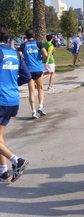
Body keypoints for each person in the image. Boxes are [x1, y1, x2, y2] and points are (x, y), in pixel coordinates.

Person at [0, 23, 31, 183]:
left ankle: (17, 161)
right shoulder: (15, 53)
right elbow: (26, 76)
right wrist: (11, 84)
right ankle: (3, 171)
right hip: (12, 99)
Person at [19, 29, 48, 119]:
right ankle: (40, 106)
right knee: (40, 88)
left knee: (31, 91)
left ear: (26, 36)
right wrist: (40, 58)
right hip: (38, 68)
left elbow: (19, 55)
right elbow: (46, 54)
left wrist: (24, 61)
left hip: (28, 70)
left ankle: (33, 111)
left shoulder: (23, 45)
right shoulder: (38, 44)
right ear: (34, 35)